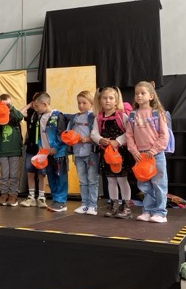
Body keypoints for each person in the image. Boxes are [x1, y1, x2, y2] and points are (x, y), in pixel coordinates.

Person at [125, 81, 170, 223]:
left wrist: (153, 150)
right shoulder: (132, 115)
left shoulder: (157, 113)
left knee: (159, 184)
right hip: (140, 156)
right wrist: (134, 151)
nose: (139, 96)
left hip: (156, 155)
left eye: (142, 93)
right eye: (136, 93)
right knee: (144, 185)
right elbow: (129, 135)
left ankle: (160, 213)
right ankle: (147, 211)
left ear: (151, 96)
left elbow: (164, 136)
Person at [91, 87, 133, 219]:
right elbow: (94, 133)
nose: (107, 101)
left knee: (122, 179)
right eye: (104, 98)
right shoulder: (98, 117)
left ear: (116, 100)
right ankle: (114, 204)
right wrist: (100, 140)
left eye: (111, 98)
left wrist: (118, 141)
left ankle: (126, 206)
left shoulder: (122, 116)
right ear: (100, 100)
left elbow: (129, 132)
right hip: (106, 154)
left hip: (120, 154)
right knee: (110, 179)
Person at [34, 93, 68, 212]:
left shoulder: (57, 116)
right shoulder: (40, 117)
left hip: (58, 154)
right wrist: (40, 145)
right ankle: (55, 199)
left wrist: (56, 147)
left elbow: (62, 134)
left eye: (37, 106)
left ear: (44, 104)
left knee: (60, 177)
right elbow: (40, 134)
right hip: (46, 153)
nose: (36, 109)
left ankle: (61, 201)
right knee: (51, 177)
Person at [67, 91, 99, 215]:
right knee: (82, 180)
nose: (81, 105)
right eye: (79, 103)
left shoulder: (94, 117)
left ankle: (93, 205)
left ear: (91, 103)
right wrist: (70, 139)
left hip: (91, 153)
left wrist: (88, 139)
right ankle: (84, 204)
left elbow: (98, 136)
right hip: (78, 153)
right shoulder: (74, 118)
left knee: (92, 180)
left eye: (84, 103)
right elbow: (68, 132)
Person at [0, 94, 24, 207]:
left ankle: (13, 195)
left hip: (15, 150)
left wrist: (10, 107)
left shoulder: (14, 116)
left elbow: (20, 116)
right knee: (4, 175)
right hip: (3, 151)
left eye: (7, 104)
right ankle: (4, 194)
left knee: (14, 175)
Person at [20, 93, 47, 208]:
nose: (36, 108)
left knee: (41, 173)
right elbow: (20, 113)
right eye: (34, 105)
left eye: (37, 105)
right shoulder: (32, 114)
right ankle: (31, 197)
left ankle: (41, 197)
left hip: (42, 149)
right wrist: (29, 105)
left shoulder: (46, 115)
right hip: (31, 148)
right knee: (30, 172)